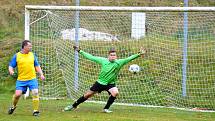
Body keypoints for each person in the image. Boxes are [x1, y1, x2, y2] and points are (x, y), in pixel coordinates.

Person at [64, 46, 146, 113]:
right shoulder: (103, 61)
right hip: (100, 83)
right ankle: (73, 106)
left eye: (114, 55)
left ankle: (106, 108)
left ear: (116, 56)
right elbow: (90, 57)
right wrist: (80, 51)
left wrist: (139, 54)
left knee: (115, 93)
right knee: (87, 95)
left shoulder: (119, 62)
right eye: (111, 55)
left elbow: (129, 58)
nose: (113, 56)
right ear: (108, 56)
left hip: (110, 84)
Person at [8, 40, 45, 116]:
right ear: (24, 47)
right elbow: (11, 65)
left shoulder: (32, 55)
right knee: (17, 95)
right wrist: (11, 70)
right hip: (21, 80)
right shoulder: (17, 56)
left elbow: (37, 66)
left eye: (31, 46)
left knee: (35, 92)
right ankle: (13, 106)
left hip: (32, 79)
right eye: (29, 46)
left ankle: (36, 111)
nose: (31, 47)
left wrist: (41, 74)